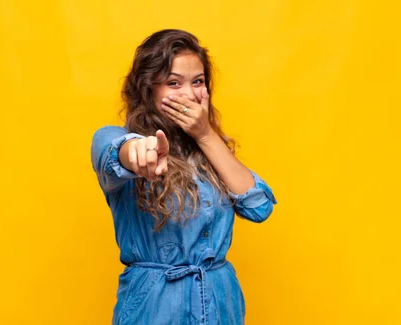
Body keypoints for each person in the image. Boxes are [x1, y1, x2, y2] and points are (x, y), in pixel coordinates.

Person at [90, 29, 277, 325]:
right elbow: (113, 152)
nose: (189, 94)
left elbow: (258, 207)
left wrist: (204, 134)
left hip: (220, 306)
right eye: (173, 83)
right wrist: (137, 152)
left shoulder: (211, 152)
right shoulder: (116, 138)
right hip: (154, 308)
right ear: (148, 88)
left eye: (198, 82)